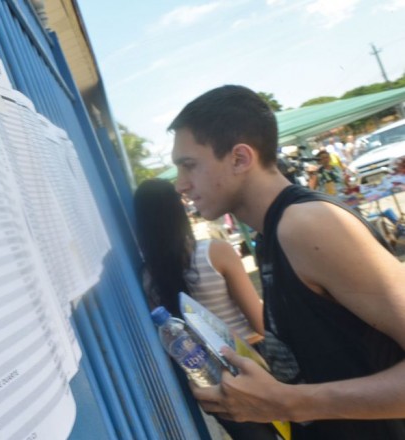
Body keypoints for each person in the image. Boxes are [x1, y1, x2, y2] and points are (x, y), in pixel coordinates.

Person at [168, 85, 405, 439]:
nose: (180, 185)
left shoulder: (307, 225)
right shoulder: (272, 234)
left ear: (239, 158)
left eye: (189, 166)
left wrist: (288, 402)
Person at [134, 179, 273, 439]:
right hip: (251, 364)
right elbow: (260, 323)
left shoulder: (147, 278)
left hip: (214, 385)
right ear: (178, 210)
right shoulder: (215, 252)